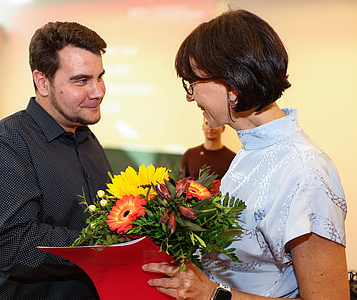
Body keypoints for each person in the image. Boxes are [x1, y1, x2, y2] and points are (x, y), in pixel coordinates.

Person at [143, 9, 349, 300]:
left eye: (193, 82)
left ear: (232, 85)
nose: (189, 96)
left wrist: (213, 295)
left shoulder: (305, 171)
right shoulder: (252, 151)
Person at [0, 21, 112, 299]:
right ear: (42, 82)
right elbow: (14, 246)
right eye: (82, 80)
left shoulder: (88, 140)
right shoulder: (6, 144)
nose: (98, 91)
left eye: (100, 77)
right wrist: (105, 246)